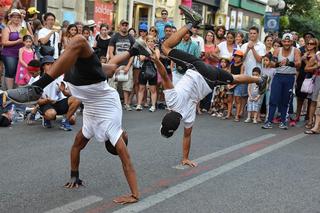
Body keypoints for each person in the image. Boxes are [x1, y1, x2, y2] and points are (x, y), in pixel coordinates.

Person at [5, 33, 152, 204]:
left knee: (80, 41)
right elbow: (75, 148)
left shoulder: (113, 131)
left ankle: (36, 87)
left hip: (89, 83)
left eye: (125, 138)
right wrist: (74, 176)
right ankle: (134, 50)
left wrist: (135, 194)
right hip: (82, 83)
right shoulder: (90, 130)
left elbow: (128, 164)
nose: (125, 135)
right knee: (109, 68)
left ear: (119, 140)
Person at [152, 5, 268, 167]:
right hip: (199, 69)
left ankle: (259, 80)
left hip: (210, 81)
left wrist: (185, 158)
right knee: (165, 47)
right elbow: (164, 75)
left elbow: (187, 136)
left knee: (233, 78)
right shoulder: (171, 101)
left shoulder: (188, 117)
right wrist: (157, 60)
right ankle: (192, 23)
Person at [262, 33, 301, 130]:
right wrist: (276, 63)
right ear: (282, 42)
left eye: (289, 41)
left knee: (286, 100)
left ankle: (283, 122)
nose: (287, 43)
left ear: (292, 42)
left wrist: (289, 63)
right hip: (278, 77)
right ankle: (269, 121)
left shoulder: (296, 50)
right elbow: (272, 64)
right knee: (273, 99)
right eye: (285, 41)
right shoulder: (277, 50)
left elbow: (299, 64)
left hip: (289, 77)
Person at [37, 56, 80, 130]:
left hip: (58, 103)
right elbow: (36, 101)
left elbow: (67, 94)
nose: (51, 66)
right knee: (51, 115)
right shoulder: (38, 80)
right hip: (46, 104)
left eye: (52, 64)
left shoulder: (60, 77)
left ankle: (65, 121)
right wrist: (46, 100)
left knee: (72, 118)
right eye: (48, 64)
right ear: (43, 66)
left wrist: (63, 91)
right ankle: (45, 117)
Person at [108, 19, 135, 111]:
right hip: (116, 64)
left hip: (127, 64)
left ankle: (126, 104)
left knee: (127, 85)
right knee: (113, 85)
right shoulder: (115, 37)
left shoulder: (131, 38)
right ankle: (112, 103)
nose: (124, 26)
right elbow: (111, 51)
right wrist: (114, 63)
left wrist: (128, 65)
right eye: (123, 24)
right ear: (119, 26)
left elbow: (133, 53)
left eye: (126, 25)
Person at [1, 9, 25, 89]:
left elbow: (27, 40)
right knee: (10, 71)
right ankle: (10, 91)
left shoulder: (22, 28)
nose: (16, 19)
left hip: (21, 53)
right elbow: (4, 42)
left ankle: (18, 92)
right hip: (9, 53)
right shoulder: (7, 29)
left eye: (18, 17)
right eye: (14, 17)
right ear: (10, 18)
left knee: (20, 72)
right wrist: (18, 41)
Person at [135, 35, 159, 112]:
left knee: (153, 89)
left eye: (152, 41)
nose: (150, 42)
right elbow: (141, 58)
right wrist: (149, 55)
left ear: (154, 42)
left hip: (153, 70)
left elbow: (156, 59)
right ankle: (139, 104)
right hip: (143, 70)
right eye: (149, 41)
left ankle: (153, 106)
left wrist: (151, 52)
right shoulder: (143, 49)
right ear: (146, 42)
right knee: (141, 88)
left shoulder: (156, 49)